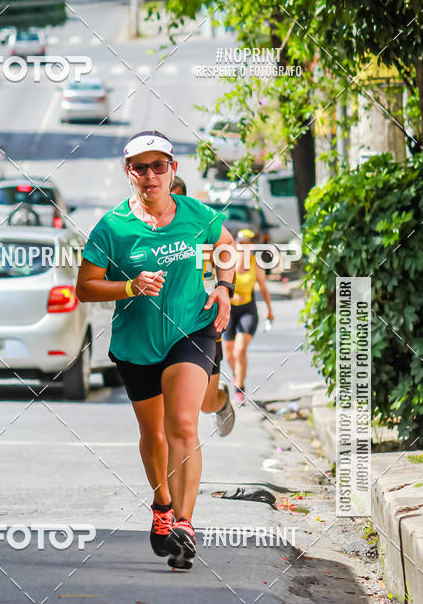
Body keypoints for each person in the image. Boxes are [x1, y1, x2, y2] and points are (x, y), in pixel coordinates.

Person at [77, 131, 235, 571]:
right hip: (136, 343)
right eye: (140, 168)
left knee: (183, 422)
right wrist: (129, 286)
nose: (150, 175)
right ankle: (162, 504)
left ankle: (184, 524)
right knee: (154, 436)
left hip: (191, 331)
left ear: (173, 170)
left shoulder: (194, 213)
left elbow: (226, 246)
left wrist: (223, 288)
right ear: (129, 173)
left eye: (158, 166)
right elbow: (85, 287)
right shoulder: (112, 227)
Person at [170, 176, 235, 437]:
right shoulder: (151, 231)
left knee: (205, 403)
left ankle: (221, 401)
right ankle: (179, 468)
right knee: (176, 406)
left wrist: (224, 291)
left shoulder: (202, 228)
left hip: (203, 321)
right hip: (167, 326)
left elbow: (228, 257)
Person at [223, 228, 275, 406]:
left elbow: (264, 289)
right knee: (229, 353)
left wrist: (270, 311)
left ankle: (239, 388)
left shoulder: (256, 264)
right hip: (229, 310)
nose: (244, 247)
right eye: (241, 243)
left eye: (248, 244)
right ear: (236, 244)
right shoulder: (228, 261)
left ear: (252, 246)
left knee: (239, 350)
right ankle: (238, 375)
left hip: (247, 310)